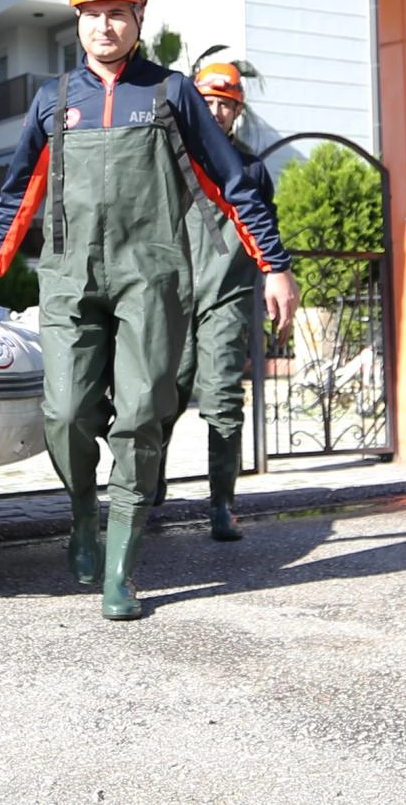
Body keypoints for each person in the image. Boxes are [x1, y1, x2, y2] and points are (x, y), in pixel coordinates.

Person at [0, 0, 298, 621]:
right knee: (66, 413)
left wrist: (274, 265)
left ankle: (121, 569)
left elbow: (232, 185)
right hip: (68, 280)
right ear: (77, 21)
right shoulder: (55, 101)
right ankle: (84, 513)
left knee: (141, 416)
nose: (103, 26)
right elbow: (18, 196)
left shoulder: (172, 95)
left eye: (117, 13)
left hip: (151, 279)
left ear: (139, 17)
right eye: (92, 14)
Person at [156, 60, 281, 544]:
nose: (215, 111)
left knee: (225, 398)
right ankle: (150, 487)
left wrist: (274, 275)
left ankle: (222, 505)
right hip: (168, 296)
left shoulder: (251, 171)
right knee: (160, 395)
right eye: (207, 102)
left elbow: (265, 233)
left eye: (225, 105)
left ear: (237, 113)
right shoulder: (168, 159)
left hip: (226, 296)